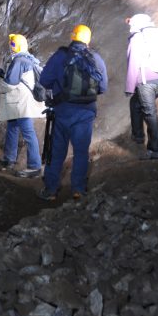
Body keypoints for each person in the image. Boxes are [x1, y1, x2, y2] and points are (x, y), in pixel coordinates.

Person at [37, 24, 108, 200]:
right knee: (81, 152)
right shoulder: (96, 58)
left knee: (57, 151)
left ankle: (51, 190)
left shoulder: (61, 55)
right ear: (88, 40)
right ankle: (78, 190)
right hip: (85, 113)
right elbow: (103, 87)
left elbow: (44, 80)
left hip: (63, 111)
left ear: (72, 36)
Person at [0, 34, 45, 178]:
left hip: (21, 104)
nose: (10, 46)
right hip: (18, 103)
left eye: (13, 44)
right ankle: (9, 159)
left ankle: (34, 166)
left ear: (18, 46)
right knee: (12, 129)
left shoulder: (19, 60)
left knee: (27, 132)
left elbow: (10, 84)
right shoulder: (26, 59)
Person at [125, 14, 158, 160]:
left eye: (132, 24)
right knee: (135, 103)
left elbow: (133, 64)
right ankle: (138, 136)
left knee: (150, 113)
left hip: (146, 81)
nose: (130, 27)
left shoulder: (138, 37)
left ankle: (156, 150)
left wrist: (130, 87)